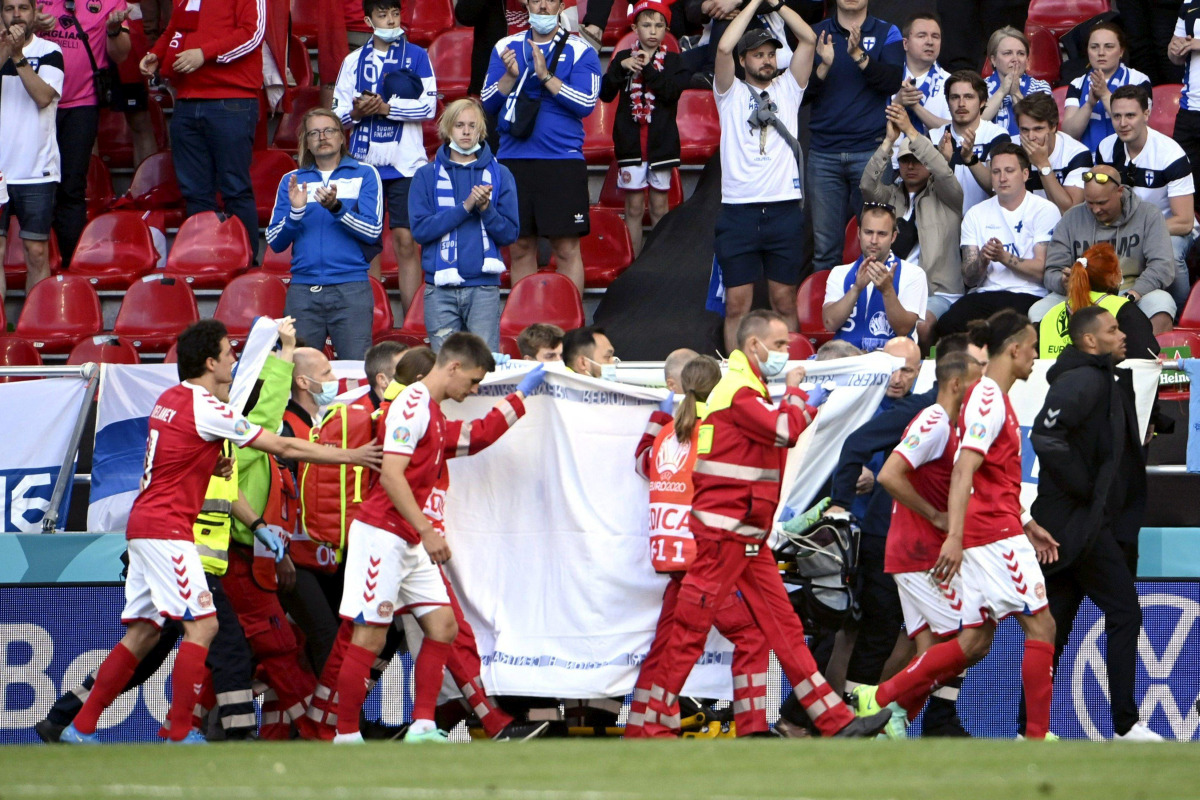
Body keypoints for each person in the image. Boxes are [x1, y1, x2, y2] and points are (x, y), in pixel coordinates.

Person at [60, 320, 381, 744]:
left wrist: (209, 464)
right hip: (169, 530)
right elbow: (282, 446)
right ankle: (179, 734)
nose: (234, 357)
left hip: (146, 526)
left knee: (144, 634)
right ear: (210, 362)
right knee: (205, 628)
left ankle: (78, 727)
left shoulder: (170, 399)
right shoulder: (206, 407)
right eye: (229, 351)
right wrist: (351, 454)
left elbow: (172, 460)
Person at [633, 309, 892, 739]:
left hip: (744, 537)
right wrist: (798, 394)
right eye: (779, 346)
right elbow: (786, 430)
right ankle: (651, 733)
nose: (786, 355)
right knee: (688, 636)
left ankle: (834, 722)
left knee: (783, 631)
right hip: (722, 536)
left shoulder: (745, 391)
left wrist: (803, 403)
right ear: (753, 346)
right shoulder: (737, 390)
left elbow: (777, 434)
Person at [852, 310, 1060, 741]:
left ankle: (884, 701)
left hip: (992, 528)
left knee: (970, 643)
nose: (1037, 356)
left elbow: (987, 478)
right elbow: (964, 472)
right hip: (987, 535)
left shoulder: (988, 398)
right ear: (1016, 348)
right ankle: (1035, 739)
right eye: (1034, 347)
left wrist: (1024, 520)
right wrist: (953, 534)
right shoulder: (986, 397)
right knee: (1042, 627)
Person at [331, 332, 545, 744]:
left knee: (443, 626)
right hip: (382, 536)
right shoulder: (412, 405)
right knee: (369, 636)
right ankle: (345, 736)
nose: (475, 389)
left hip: (407, 539)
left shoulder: (432, 413)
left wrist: (520, 397)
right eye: (474, 381)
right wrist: (427, 531)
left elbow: (478, 435)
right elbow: (392, 476)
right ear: (453, 367)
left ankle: (424, 726)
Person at [774, 333, 984, 739]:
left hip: (913, 541)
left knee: (914, 633)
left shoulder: (950, 415)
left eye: (907, 369)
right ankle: (840, 714)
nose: (898, 377)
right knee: (870, 630)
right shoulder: (911, 410)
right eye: (891, 367)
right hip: (878, 538)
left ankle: (882, 711)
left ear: (924, 371)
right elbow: (853, 449)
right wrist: (840, 502)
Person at [1027, 305, 1164, 742]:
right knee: (1124, 611)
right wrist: (1089, 491)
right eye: (1113, 329)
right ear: (1089, 341)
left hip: (1075, 524)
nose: (1123, 335)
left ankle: (1030, 730)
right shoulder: (1083, 380)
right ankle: (1124, 725)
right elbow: (1044, 435)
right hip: (1078, 526)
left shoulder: (1105, 379)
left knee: (1056, 628)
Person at [624, 353, 772, 738]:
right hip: (702, 556)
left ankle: (641, 731)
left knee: (666, 647)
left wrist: (658, 417)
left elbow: (640, 463)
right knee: (751, 637)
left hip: (669, 557)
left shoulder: (663, 435)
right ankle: (754, 730)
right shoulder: (717, 434)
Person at [873, 351, 982, 731]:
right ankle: (883, 705)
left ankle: (891, 721)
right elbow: (889, 475)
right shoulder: (935, 421)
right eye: (976, 383)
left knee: (931, 648)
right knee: (967, 637)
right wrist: (935, 516)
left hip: (916, 551)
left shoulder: (951, 426)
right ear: (955, 384)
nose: (983, 393)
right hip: (922, 552)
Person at [711, 0, 817, 353]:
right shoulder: (729, 92)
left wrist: (779, 4)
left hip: (783, 210)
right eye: (757, 55)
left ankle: (789, 374)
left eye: (770, 54)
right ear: (743, 62)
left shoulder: (788, 88)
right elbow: (725, 46)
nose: (766, 60)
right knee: (737, 306)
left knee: (784, 301)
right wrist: (754, 2)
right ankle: (738, 378)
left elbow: (809, 40)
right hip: (739, 211)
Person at [481, 0, 602, 293]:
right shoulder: (505, 46)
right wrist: (509, 77)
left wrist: (546, 76)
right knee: (521, 246)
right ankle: (525, 328)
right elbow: (488, 102)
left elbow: (586, 104)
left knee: (566, 247)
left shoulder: (580, 49)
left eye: (550, 0)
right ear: (527, 3)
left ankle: (572, 330)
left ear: (561, 4)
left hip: (561, 161)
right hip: (513, 160)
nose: (544, 6)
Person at [137, 0, 264, 253]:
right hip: (187, 100)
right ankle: (204, 260)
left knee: (234, 189)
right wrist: (158, 54)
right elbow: (175, 28)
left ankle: (245, 265)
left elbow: (253, 33)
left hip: (231, 98)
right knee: (195, 193)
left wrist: (204, 53)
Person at [332, 0, 436, 309]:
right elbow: (337, 116)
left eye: (395, 14)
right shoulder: (353, 61)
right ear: (367, 19)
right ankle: (374, 317)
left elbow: (429, 106)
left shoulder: (418, 56)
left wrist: (388, 108)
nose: (391, 21)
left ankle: (413, 321)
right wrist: (357, 112)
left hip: (406, 165)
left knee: (406, 241)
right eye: (382, 15)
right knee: (369, 244)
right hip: (365, 165)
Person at [266, 108, 384, 361]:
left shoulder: (365, 173)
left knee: (356, 372)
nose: (322, 137)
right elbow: (275, 241)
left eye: (329, 130)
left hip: (351, 288)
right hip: (302, 290)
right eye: (314, 133)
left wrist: (336, 208)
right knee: (295, 371)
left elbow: (373, 231)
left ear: (342, 137)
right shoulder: (292, 179)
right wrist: (296, 212)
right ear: (306, 143)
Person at [409, 98, 519, 352]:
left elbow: (510, 233)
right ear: (447, 130)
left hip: (483, 288)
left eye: (472, 125)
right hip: (439, 289)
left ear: (481, 130)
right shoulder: (425, 175)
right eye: (459, 125)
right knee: (445, 372)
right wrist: (466, 207)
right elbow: (421, 231)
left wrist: (486, 210)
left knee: (483, 368)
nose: (466, 131)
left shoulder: (501, 174)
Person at [806, 0, 904, 274]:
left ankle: (876, 316)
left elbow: (891, 81)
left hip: (871, 152)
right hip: (824, 154)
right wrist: (824, 66)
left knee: (878, 247)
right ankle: (826, 317)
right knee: (825, 252)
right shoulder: (815, 33)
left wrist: (858, 54)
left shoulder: (888, 32)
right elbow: (798, 94)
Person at [1033, 166, 1179, 336]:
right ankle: (1060, 362)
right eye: (1090, 203)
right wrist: (1064, 282)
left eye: (1102, 203)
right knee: (1038, 311)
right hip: (1082, 292)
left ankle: (1148, 359)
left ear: (1119, 191)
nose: (1096, 209)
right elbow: (1052, 270)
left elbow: (1162, 266)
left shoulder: (1149, 215)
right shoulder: (1071, 218)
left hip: (1131, 289)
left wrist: (1133, 294)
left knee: (1161, 304)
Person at [862, 103, 963, 348]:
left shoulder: (947, 196)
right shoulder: (891, 196)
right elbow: (866, 186)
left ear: (928, 163)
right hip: (895, 286)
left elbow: (944, 173)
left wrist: (911, 131)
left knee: (922, 325)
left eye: (917, 161)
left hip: (937, 291)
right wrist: (888, 142)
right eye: (906, 160)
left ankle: (920, 370)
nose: (911, 166)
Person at [934, 143, 1060, 338]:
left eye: (1009, 171)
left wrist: (1003, 256)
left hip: (1029, 294)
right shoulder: (975, 214)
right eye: (996, 172)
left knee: (1006, 331)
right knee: (947, 324)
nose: (1002, 178)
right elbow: (969, 278)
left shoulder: (1045, 210)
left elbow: (1041, 271)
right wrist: (983, 260)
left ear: (1025, 174)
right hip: (986, 293)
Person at [38, 0, 130, 267]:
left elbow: (121, 54)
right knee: (36, 188)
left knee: (71, 187)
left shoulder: (111, 2)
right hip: (36, 104)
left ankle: (69, 263)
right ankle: (40, 258)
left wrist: (113, 29)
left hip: (81, 105)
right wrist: (30, 25)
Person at [600, 1, 688, 256]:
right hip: (631, 145)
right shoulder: (622, 59)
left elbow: (670, 93)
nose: (653, 31)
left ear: (666, 30)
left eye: (659, 26)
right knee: (634, 209)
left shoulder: (674, 62)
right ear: (634, 28)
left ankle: (658, 263)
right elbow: (605, 94)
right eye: (646, 25)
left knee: (660, 208)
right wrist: (619, 67)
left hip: (661, 146)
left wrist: (647, 68)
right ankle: (633, 264)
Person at [1096, 85, 1195, 309]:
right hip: (1123, 227)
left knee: (1169, 248)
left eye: (1130, 115)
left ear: (1146, 114)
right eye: (1117, 116)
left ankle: (1181, 314)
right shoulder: (1106, 149)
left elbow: (1185, 221)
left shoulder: (1170, 154)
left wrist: (1139, 231)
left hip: (1170, 228)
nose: (1123, 123)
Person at [0, 0, 62, 300]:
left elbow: (42, 97)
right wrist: (4, 53)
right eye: (9, 8)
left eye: (23, 7)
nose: (16, 14)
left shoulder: (50, 50)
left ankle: (35, 329)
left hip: (36, 168)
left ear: (35, 13)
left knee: (36, 252)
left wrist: (17, 57)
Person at [822, 203, 928, 351]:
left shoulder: (913, 274)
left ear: (893, 237)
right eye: (868, 232)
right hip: (845, 359)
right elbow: (829, 323)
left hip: (890, 361)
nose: (873, 240)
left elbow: (903, 329)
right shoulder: (840, 272)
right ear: (858, 233)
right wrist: (856, 289)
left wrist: (887, 291)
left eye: (882, 234)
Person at [1036, 243, 1159, 361]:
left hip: (1055, 382)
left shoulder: (1049, 315)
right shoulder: (1122, 310)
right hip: (1103, 382)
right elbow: (1148, 356)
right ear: (1112, 277)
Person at [1061, 22, 1153, 152]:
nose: (1101, 53)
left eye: (1109, 47)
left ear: (1121, 51)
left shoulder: (1138, 80)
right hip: (1088, 160)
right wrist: (1089, 105)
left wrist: (1104, 94)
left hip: (1128, 157)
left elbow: (1141, 125)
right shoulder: (1077, 84)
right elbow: (1069, 134)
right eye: (1094, 47)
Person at [930, 70, 1011, 214]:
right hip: (943, 225)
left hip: (984, 224)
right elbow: (923, 192)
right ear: (948, 103)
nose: (961, 104)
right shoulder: (934, 137)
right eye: (955, 97)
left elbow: (998, 187)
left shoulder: (997, 136)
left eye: (969, 97)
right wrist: (943, 161)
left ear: (982, 102)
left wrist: (970, 159)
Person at [1014, 92, 1092, 215]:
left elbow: (1069, 212)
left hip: (1063, 231)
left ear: (1053, 127)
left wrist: (1043, 165)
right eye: (1024, 130)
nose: (1031, 137)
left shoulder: (1077, 154)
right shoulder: (1012, 150)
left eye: (1038, 129)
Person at [981, 26, 1051, 137]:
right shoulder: (979, 87)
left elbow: (1037, 127)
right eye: (1007, 53)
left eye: (1021, 54)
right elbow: (976, 125)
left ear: (1027, 60)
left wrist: (1016, 93)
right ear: (993, 60)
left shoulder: (1040, 87)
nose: (1015, 59)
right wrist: (1002, 91)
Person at [894, 13, 950, 135]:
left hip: (933, 152)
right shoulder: (888, 76)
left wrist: (915, 106)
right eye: (921, 36)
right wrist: (897, 103)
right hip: (891, 152)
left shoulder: (950, 82)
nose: (930, 42)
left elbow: (954, 130)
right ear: (905, 44)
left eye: (935, 36)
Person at [1170, 1, 1200, 217]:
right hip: (1189, 110)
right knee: (1186, 184)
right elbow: (1175, 56)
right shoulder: (1189, 3)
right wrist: (1175, 50)